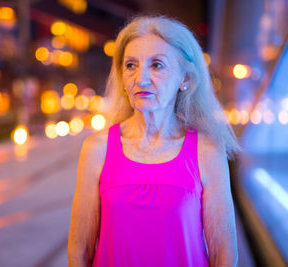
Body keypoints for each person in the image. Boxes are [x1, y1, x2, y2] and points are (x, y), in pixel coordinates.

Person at [68, 15, 240, 267]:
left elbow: (224, 254)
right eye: (130, 65)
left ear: (186, 79)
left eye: (157, 65)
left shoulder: (207, 149)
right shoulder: (97, 148)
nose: (140, 78)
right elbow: (78, 253)